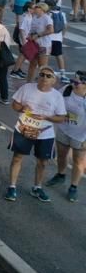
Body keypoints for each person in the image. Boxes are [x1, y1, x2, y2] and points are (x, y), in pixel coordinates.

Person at [7, 67, 66, 202]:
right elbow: (14, 105)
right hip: (24, 128)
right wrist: (22, 108)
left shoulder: (57, 96)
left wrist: (47, 117)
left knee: (42, 162)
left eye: (49, 76)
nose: (44, 78)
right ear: (38, 76)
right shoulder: (27, 88)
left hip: (45, 134)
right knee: (17, 158)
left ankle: (37, 188)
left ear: (54, 81)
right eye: (42, 74)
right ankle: (12, 187)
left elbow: (61, 118)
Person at [47, 72, 86, 202]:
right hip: (64, 130)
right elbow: (55, 101)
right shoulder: (67, 89)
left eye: (76, 82)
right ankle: (60, 175)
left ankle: (73, 187)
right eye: (72, 80)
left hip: (80, 136)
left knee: (78, 162)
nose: (72, 84)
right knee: (61, 156)